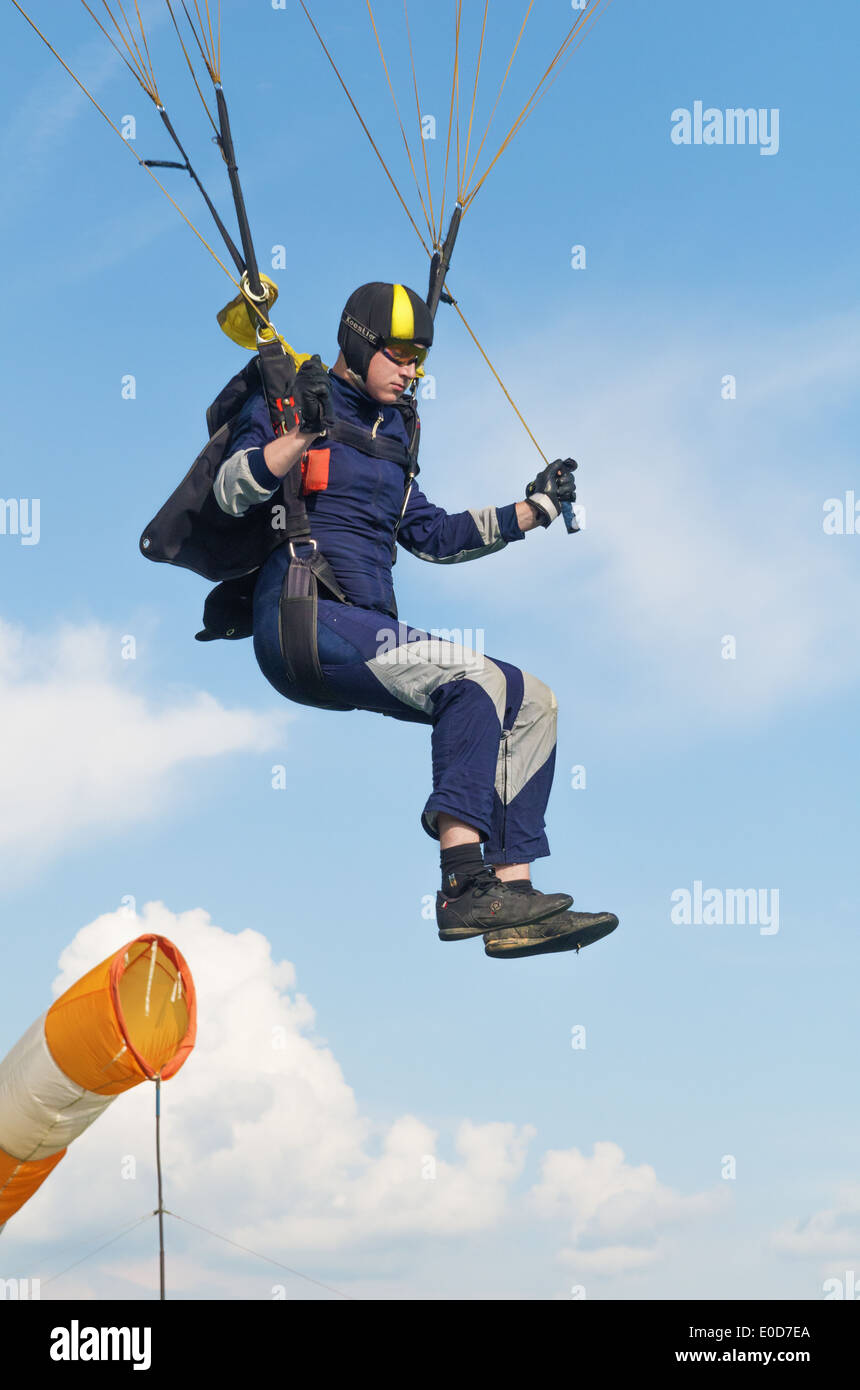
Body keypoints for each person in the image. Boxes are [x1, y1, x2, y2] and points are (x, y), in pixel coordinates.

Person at [213, 281, 617, 959]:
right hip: (303, 617)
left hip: (365, 629)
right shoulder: (290, 398)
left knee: (532, 699)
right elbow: (231, 491)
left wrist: (532, 511)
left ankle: (513, 894)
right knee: (472, 681)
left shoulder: (396, 428)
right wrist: (300, 435)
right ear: (359, 343)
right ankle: (463, 883)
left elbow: (427, 532)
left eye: (420, 360)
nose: (411, 371)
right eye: (399, 355)